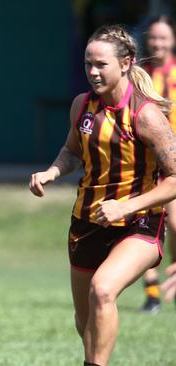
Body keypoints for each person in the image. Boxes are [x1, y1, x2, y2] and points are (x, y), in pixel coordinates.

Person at [29, 24, 176, 366]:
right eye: (87, 64)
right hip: (86, 222)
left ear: (126, 63)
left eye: (101, 65)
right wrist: (51, 172)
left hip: (138, 223)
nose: (93, 72)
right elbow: (71, 151)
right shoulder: (82, 106)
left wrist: (127, 206)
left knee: (103, 289)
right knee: (86, 325)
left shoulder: (147, 115)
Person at [138, 15, 176, 313]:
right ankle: (152, 295)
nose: (157, 43)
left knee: (174, 224)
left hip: (173, 163)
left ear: (173, 40)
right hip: (145, 161)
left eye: (163, 38)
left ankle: (171, 280)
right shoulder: (140, 75)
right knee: (140, 223)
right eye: (153, 38)